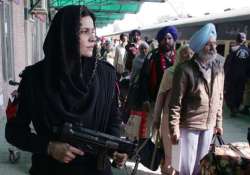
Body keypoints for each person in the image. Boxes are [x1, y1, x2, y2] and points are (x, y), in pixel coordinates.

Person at [5, 5, 127, 175]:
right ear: (65, 35)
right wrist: (48, 147)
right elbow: (14, 132)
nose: (93, 38)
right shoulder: (34, 78)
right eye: (85, 31)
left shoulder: (106, 75)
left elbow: (113, 119)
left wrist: (115, 147)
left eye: (93, 31)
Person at [168, 23, 224, 175]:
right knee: (186, 168)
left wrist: (218, 122)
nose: (213, 48)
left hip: (209, 126)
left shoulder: (218, 68)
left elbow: (219, 98)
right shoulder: (185, 69)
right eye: (208, 45)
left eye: (214, 44)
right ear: (199, 47)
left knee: (202, 167)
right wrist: (174, 128)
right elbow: (175, 102)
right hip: (189, 125)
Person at [152, 45, 193, 175]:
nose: (188, 56)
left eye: (190, 53)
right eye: (184, 53)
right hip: (169, 120)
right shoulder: (169, 72)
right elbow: (160, 97)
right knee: (172, 153)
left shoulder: (195, 74)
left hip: (188, 121)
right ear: (179, 55)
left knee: (182, 155)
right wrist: (156, 119)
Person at [224, 32, 250, 116]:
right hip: (243, 76)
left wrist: (225, 75)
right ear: (244, 40)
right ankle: (237, 107)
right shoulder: (248, 51)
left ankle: (232, 108)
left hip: (232, 76)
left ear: (236, 39)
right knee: (240, 92)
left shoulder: (233, 49)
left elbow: (228, 64)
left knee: (231, 92)